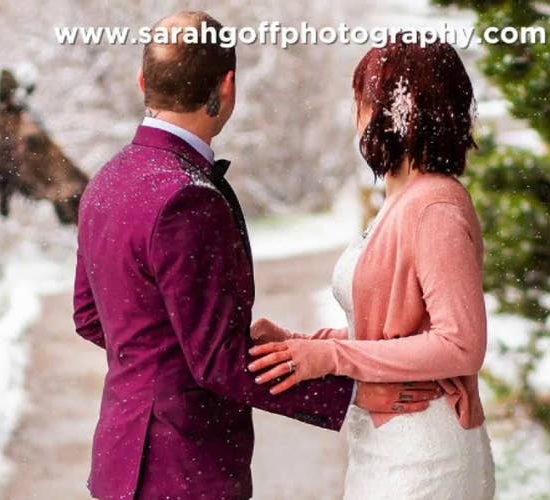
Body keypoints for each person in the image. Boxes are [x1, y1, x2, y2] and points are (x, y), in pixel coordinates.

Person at [73, 12, 440, 500]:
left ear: (143, 82)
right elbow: (217, 364)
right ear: (228, 87)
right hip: (182, 468)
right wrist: (352, 392)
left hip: (121, 463)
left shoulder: (107, 180)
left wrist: (173, 348)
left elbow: (88, 316)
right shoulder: (188, 198)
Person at [248, 40, 496, 499]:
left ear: (398, 111)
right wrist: (304, 344)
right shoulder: (401, 200)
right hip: (387, 444)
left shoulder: (435, 204)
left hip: (426, 453)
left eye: (363, 99)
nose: (356, 116)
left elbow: (461, 343)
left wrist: (331, 359)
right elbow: (392, 330)